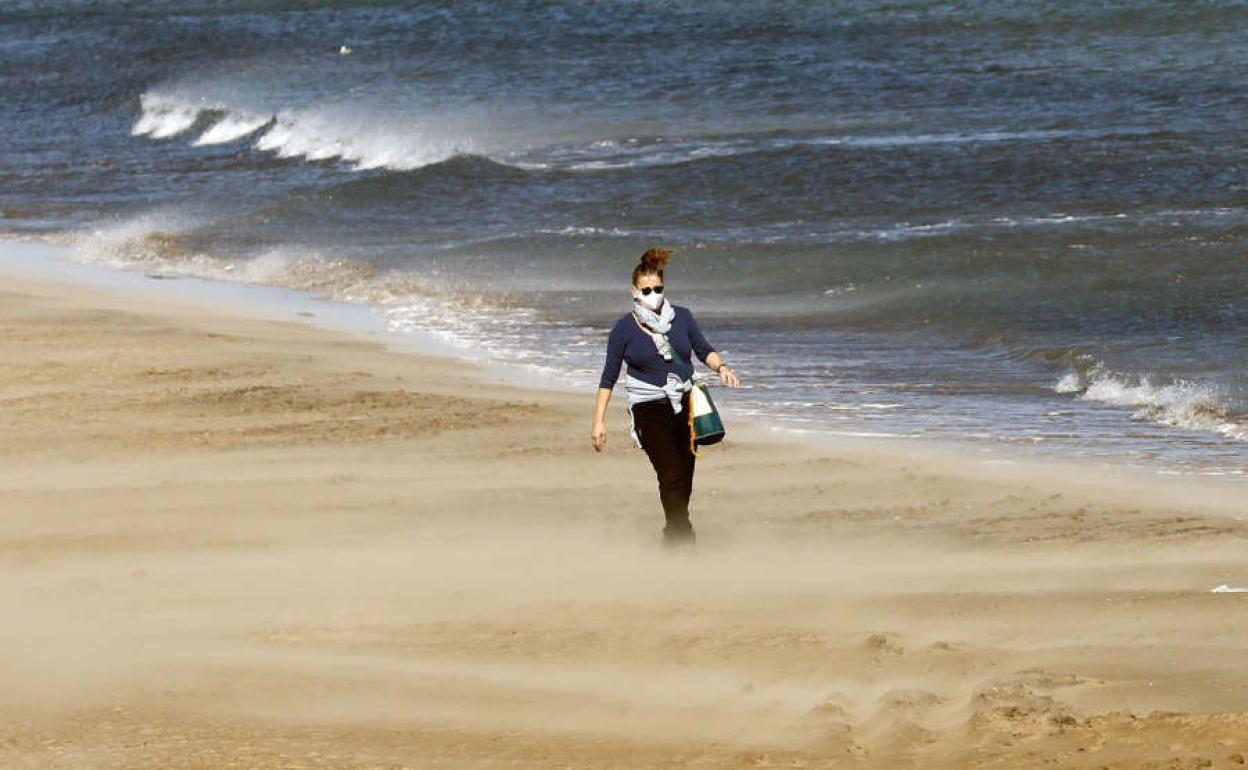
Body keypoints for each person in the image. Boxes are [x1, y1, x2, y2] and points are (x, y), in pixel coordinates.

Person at [591, 247, 740, 545]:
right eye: (646, 290)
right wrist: (599, 422)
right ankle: (683, 541)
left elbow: (702, 349)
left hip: (685, 406)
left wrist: (722, 367)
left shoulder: (682, 318)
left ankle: (673, 533)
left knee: (685, 476)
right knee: (670, 474)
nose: (653, 294)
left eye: (658, 288)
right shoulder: (623, 329)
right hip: (649, 408)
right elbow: (609, 377)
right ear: (634, 291)